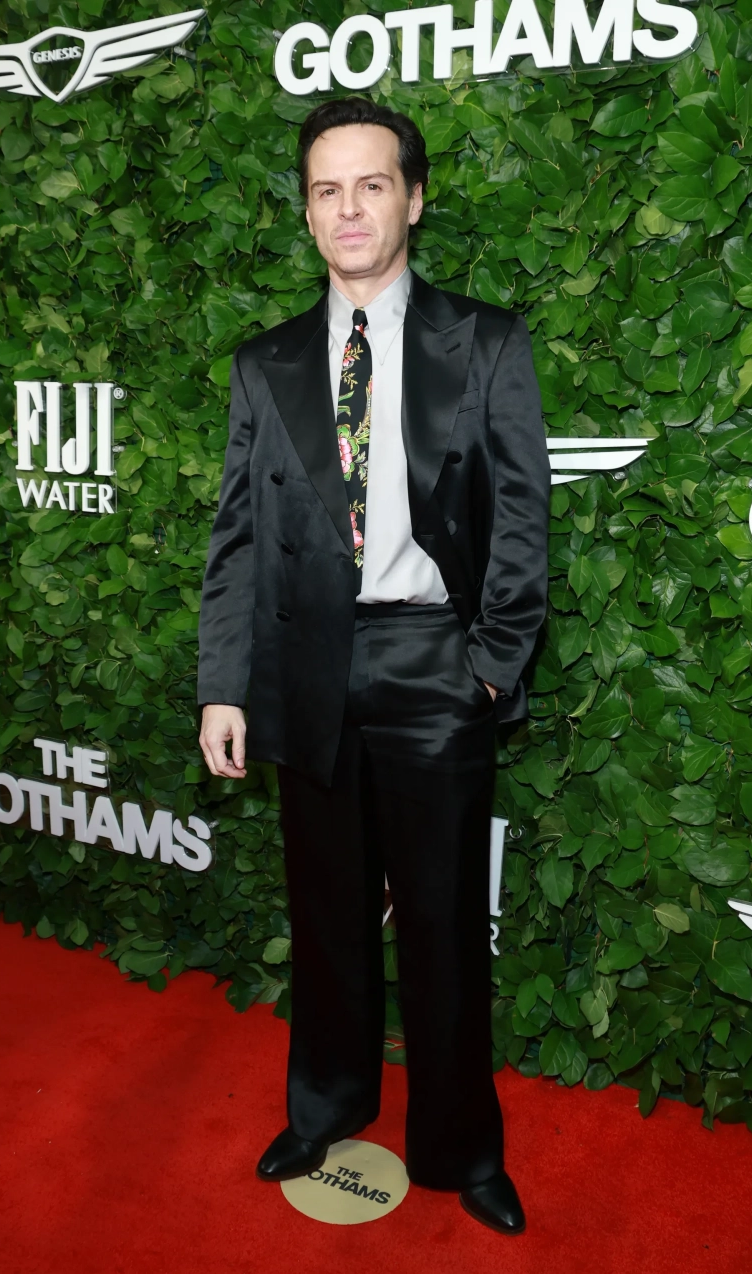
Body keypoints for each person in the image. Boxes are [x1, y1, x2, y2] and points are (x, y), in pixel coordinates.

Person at [197, 95, 550, 1236]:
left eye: (370, 184)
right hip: (306, 666)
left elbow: (521, 523)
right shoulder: (265, 362)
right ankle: (325, 1106)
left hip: (433, 660)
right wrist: (223, 682)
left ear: (413, 198)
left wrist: (489, 665)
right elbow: (237, 539)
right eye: (325, 189)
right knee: (327, 916)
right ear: (306, 213)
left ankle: (461, 1148)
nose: (347, 208)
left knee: (443, 927)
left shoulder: (485, 341)